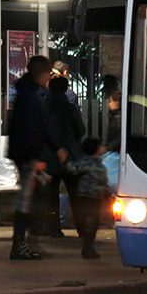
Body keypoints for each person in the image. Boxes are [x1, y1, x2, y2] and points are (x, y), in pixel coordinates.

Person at [8, 55, 62, 260]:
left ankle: (25, 242)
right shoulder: (31, 96)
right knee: (26, 200)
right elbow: (34, 128)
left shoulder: (26, 93)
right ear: (43, 73)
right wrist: (37, 155)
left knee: (30, 199)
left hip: (24, 154)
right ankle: (20, 244)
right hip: (28, 155)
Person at [44, 75, 85, 238]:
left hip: (50, 157)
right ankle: (82, 228)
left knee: (51, 195)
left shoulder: (43, 108)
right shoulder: (70, 108)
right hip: (70, 157)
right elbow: (81, 130)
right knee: (75, 194)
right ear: (65, 88)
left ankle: (54, 229)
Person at [60, 137, 111, 259]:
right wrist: (64, 161)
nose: (104, 147)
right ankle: (87, 249)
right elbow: (73, 168)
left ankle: (89, 247)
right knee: (91, 223)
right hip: (88, 197)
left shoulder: (97, 162)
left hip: (95, 197)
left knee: (94, 223)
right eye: (101, 145)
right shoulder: (88, 162)